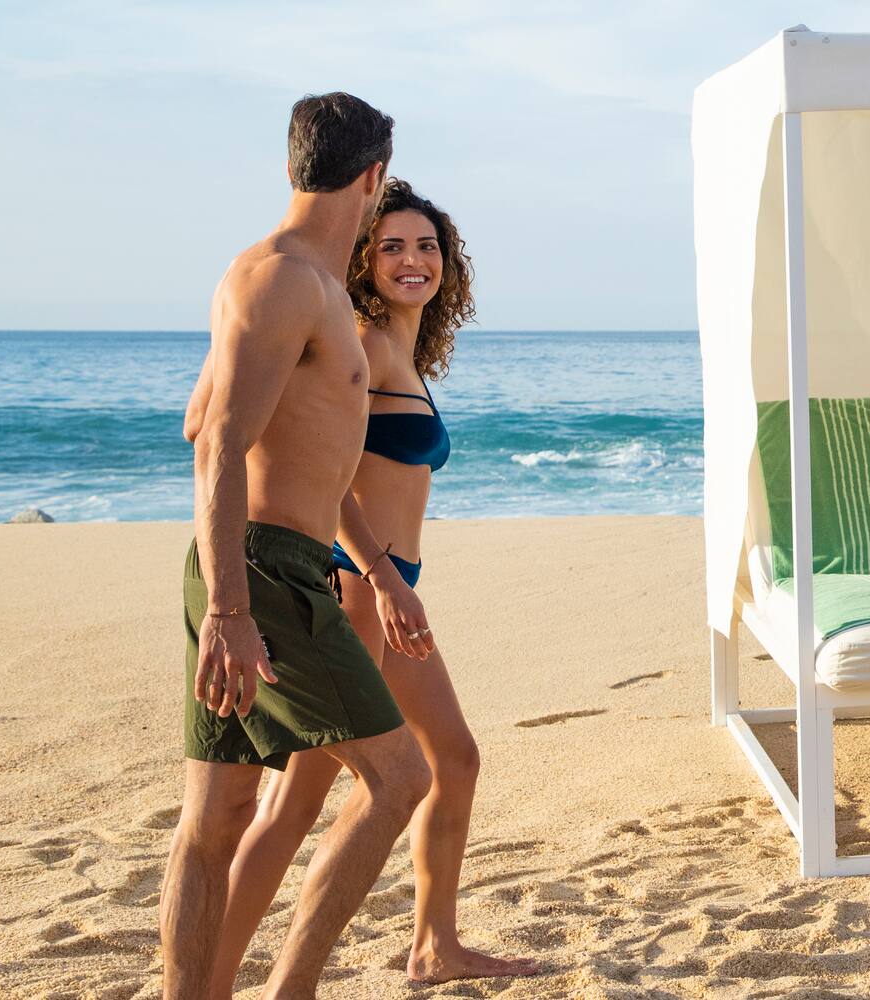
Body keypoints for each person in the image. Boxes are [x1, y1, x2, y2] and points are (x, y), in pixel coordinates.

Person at [210, 180, 537, 986]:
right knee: (295, 808)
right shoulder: (358, 339)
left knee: (454, 759)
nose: (412, 260)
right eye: (391, 245)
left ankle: (433, 945)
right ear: (363, 258)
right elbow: (327, 480)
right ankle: (212, 978)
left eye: (426, 246)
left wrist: (397, 580)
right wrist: (384, 577)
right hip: (359, 590)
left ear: (447, 262)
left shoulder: (403, 352)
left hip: (393, 591)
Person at [165, 93, 433, 1000]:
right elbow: (214, 442)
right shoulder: (280, 280)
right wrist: (233, 608)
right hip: (264, 573)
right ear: (373, 178)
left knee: (220, 816)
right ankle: (292, 992)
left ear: (293, 167)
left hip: (275, 562)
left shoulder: (292, 283)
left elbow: (219, 423)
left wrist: (382, 573)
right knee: (401, 779)